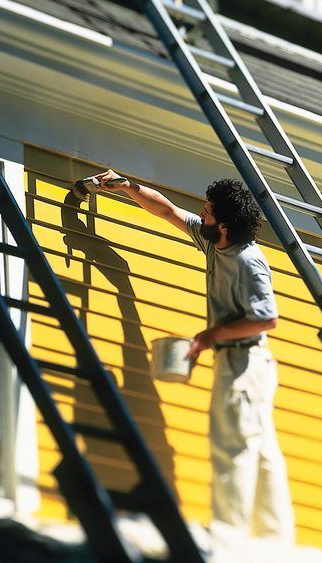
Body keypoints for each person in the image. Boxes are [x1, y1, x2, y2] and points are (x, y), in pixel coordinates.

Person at [91, 169, 296, 551]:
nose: (200, 214)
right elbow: (167, 211)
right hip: (237, 360)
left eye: (207, 211)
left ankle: (228, 536)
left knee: (231, 444)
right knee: (262, 450)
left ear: (225, 224)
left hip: (246, 362)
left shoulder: (249, 262)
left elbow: (268, 318)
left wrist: (211, 335)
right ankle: (277, 541)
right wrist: (129, 187)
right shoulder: (212, 243)